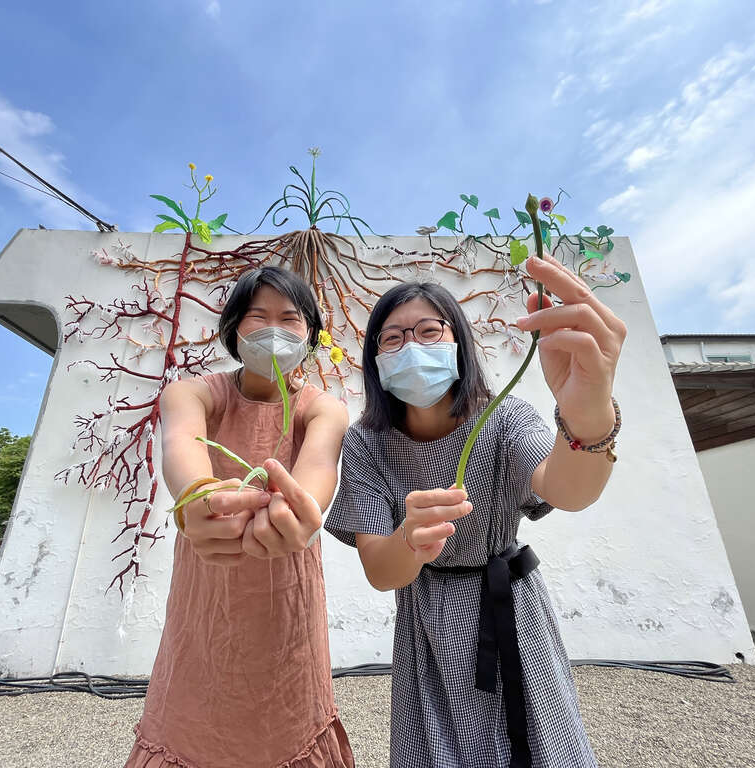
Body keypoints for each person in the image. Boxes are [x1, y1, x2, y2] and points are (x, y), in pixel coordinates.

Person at [324, 253, 627, 768]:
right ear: (374, 361)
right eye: (392, 338)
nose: (410, 347)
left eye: (427, 330)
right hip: (426, 618)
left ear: (459, 342)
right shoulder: (364, 445)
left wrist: (588, 416)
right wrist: (408, 541)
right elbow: (381, 570)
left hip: (509, 607)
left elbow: (567, 490)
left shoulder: (504, 417)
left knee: (538, 746)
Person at [126, 265, 354, 768]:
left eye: (291, 319)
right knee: (194, 705)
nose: (274, 330)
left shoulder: (323, 408)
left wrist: (299, 512)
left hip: (287, 598)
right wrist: (200, 496)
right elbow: (181, 444)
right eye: (257, 317)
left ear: (311, 336)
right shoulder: (192, 393)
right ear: (232, 329)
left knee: (287, 711)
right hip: (205, 595)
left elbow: (318, 470)